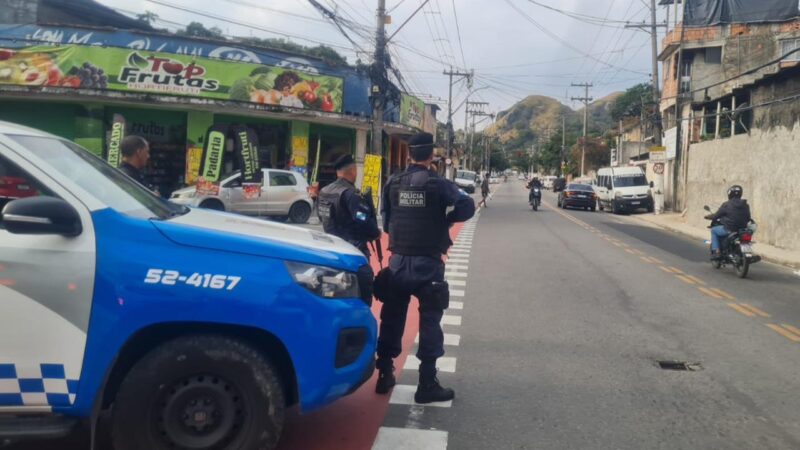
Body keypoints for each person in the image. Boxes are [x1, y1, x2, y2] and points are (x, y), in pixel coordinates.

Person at [375, 132, 475, 403]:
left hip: (398, 262)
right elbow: (467, 206)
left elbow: (386, 220)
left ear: (409, 155)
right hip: (428, 265)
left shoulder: (392, 182)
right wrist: (447, 219)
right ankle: (426, 384)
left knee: (392, 317)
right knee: (430, 321)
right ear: (431, 156)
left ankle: (384, 373)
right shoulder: (438, 184)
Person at [317, 154, 380, 257]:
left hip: (330, 246)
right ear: (353, 170)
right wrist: (376, 232)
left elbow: (321, 216)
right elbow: (362, 217)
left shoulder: (324, 191)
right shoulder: (351, 193)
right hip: (352, 248)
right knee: (365, 273)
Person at [704, 185, 752, 259]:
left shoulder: (726, 204)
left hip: (729, 229)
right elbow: (748, 217)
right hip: (742, 230)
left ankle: (717, 252)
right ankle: (744, 253)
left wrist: (708, 216)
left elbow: (717, 215)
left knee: (714, 230)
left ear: (730, 194)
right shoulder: (745, 205)